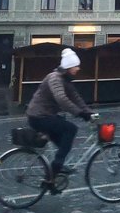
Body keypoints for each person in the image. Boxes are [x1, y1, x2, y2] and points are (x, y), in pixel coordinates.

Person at [26, 48, 94, 176]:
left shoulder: (65, 80)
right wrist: (79, 113)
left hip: (45, 115)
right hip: (38, 116)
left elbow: (76, 98)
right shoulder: (55, 78)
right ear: (69, 67)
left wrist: (89, 113)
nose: (78, 69)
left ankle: (55, 171)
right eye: (76, 66)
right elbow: (61, 98)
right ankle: (56, 167)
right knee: (70, 129)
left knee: (63, 143)